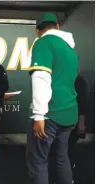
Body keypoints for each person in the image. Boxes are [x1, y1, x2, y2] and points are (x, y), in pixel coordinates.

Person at [26, 12, 79, 184]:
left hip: (50, 113)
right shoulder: (70, 49)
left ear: (37, 30)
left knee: (39, 161)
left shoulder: (43, 43)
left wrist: (39, 115)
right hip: (70, 113)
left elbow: (41, 78)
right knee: (61, 157)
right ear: (57, 26)